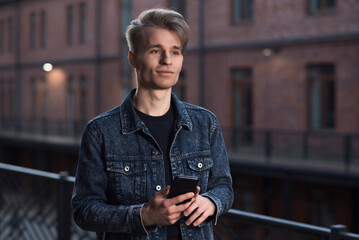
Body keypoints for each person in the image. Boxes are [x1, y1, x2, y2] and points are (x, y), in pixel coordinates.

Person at [72, 8, 233, 240]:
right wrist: (144, 216)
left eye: (175, 52)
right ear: (133, 58)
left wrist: (211, 202)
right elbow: (84, 210)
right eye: (156, 50)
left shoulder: (206, 123)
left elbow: (224, 187)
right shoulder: (100, 131)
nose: (167, 60)